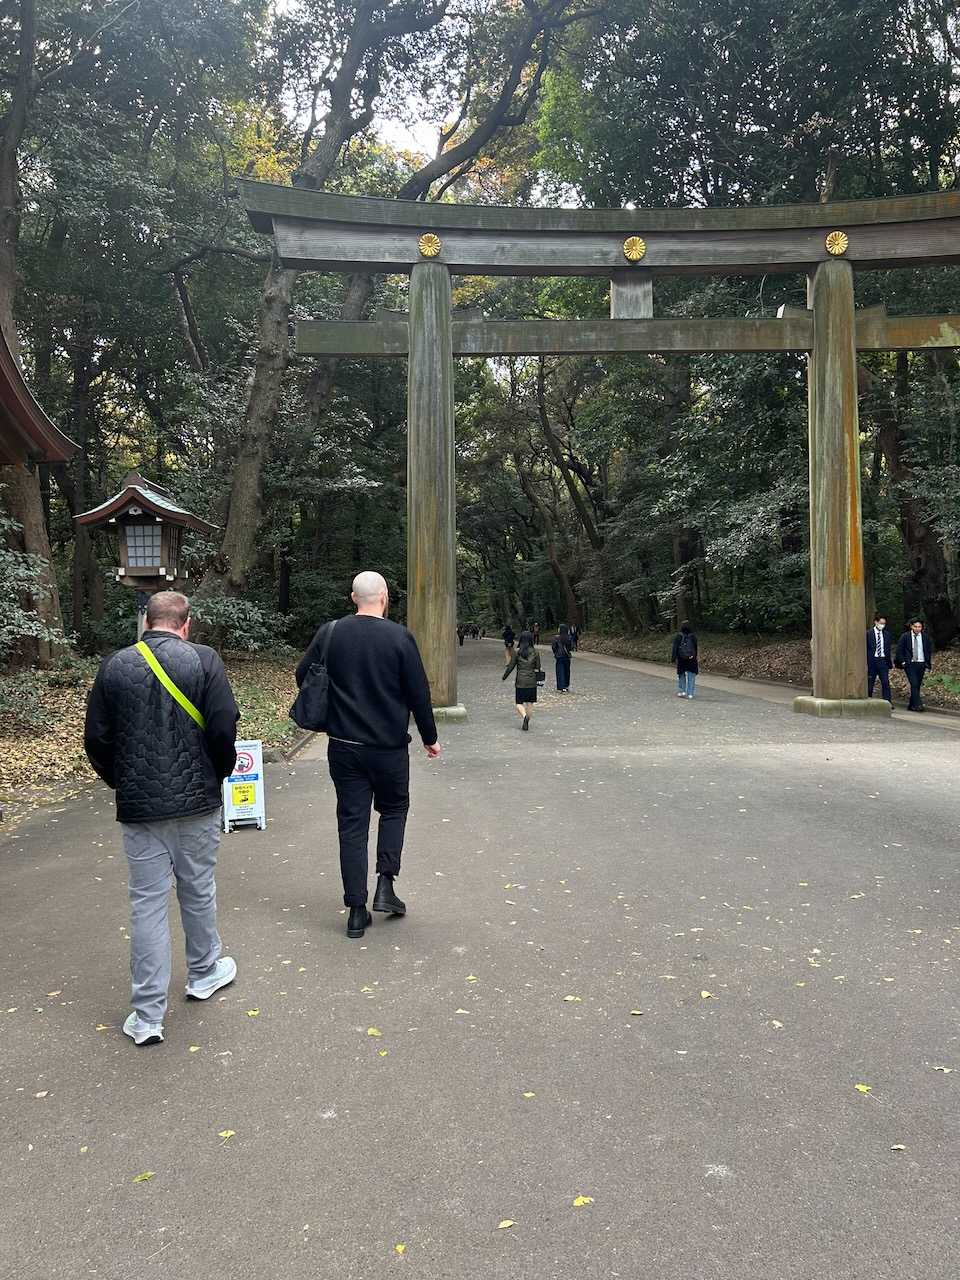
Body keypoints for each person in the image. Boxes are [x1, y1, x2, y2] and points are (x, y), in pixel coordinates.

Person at [83, 591, 240, 1047]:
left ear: (146, 623)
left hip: (140, 809)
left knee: (147, 904)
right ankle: (204, 972)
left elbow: (97, 738)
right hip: (197, 803)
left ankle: (148, 1014)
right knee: (198, 888)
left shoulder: (114, 666)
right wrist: (216, 774)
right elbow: (223, 725)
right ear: (185, 624)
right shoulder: (204, 661)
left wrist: (121, 780)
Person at [296, 571, 440, 939]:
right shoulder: (399, 638)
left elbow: (304, 675)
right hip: (389, 747)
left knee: (352, 823)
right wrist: (429, 737)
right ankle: (386, 885)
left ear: (353, 597)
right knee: (394, 809)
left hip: (344, 747)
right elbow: (418, 693)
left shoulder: (330, 633)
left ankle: (356, 910)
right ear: (385, 597)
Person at [502, 629, 541, 730]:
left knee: (519, 703)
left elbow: (510, 666)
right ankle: (527, 718)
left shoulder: (517, 653)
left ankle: (524, 717)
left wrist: (504, 677)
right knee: (530, 703)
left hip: (520, 682)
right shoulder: (536, 653)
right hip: (532, 682)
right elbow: (538, 666)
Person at [895, 619, 933, 711]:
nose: (917, 628)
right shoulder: (905, 636)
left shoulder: (925, 637)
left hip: (921, 663)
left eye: (919, 627)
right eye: (915, 626)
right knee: (914, 683)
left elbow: (928, 650)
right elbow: (899, 650)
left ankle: (911, 705)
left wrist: (927, 664)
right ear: (911, 626)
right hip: (910, 664)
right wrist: (903, 662)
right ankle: (918, 705)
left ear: (922, 627)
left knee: (917, 685)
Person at [866, 613, 895, 703]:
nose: (882, 625)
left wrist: (889, 663)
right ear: (876, 622)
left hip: (883, 661)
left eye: (884, 624)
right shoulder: (868, 634)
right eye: (881, 623)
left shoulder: (887, 634)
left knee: (886, 683)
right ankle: (868, 700)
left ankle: (888, 702)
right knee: (870, 683)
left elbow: (887, 649)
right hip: (872, 661)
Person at [671, 621, 699, 698]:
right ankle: (690, 693)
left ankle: (682, 691)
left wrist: (674, 658)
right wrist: (695, 656)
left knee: (681, 675)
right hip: (691, 659)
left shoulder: (678, 636)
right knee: (691, 676)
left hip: (681, 659)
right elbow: (695, 648)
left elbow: (675, 648)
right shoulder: (693, 637)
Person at [551, 623, 573, 693]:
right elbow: (571, 647)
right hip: (566, 656)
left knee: (560, 671)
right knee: (567, 671)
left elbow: (554, 647)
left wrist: (556, 653)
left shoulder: (556, 638)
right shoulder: (569, 637)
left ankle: (561, 686)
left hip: (559, 656)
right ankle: (566, 685)